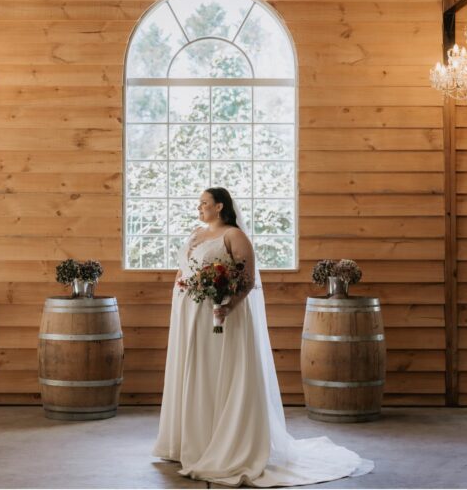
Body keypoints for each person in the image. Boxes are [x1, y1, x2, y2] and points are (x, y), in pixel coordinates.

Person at [152, 187, 374, 487]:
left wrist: (226, 306)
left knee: (220, 372)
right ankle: (193, 440)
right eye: (199, 203)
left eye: (204, 203)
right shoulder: (195, 234)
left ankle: (230, 443)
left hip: (221, 315)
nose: (199, 207)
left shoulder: (234, 236)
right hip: (190, 314)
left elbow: (247, 280)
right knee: (196, 371)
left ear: (220, 206)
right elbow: (186, 271)